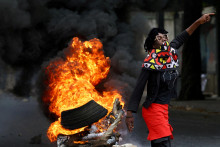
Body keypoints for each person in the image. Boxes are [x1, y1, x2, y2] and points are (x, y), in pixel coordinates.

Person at [125, 13, 215, 147]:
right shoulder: (150, 62)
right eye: (159, 37)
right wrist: (129, 113)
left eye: (164, 36)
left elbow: (184, 35)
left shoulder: (171, 52)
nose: (163, 38)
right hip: (153, 110)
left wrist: (199, 21)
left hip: (164, 108)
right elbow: (139, 88)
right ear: (153, 42)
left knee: (160, 143)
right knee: (164, 143)